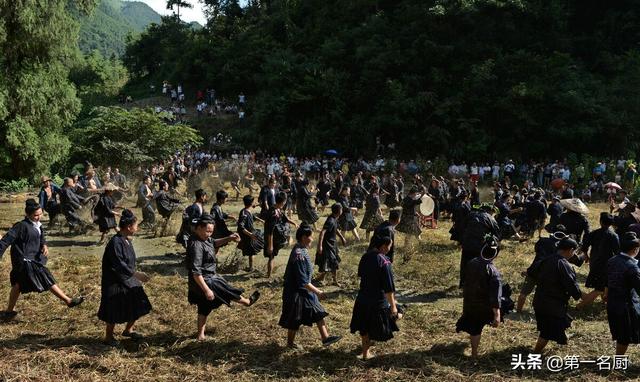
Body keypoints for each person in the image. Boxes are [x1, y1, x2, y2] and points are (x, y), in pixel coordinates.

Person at [0, 200, 84, 320]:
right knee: (45, 277)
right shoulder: (21, 226)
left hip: (33, 258)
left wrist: (43, 245)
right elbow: (6, 240)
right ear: (27, 214)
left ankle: (9, 311)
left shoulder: (37, 224)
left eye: (40, 214)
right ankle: (68, 300)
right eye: (36, 215)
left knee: (18, 285)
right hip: (24, 261)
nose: (39, 217)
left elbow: (41, 236)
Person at [186, 214, 260, 341]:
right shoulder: (196, 245)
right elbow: (196, 272)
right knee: (225, 290)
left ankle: (200, 335)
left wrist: (229, 238)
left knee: (204, 306)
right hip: (204, 280)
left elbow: (214, 242)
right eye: (207, 231)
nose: (209, 234)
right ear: (198, 228)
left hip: (208, 277)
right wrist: (206, 290)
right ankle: (246, 302)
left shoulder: (204, 238)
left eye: (211, 231)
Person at [278, 224, 341, 350]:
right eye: (311, 236)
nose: (313, 239)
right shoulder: (299, 254)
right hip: (296, 292)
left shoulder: (301, 249)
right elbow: (303, 281)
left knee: (318, 311)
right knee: (294, 319)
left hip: (304, 290)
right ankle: (290, 344)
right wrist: (318, 292)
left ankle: (325, 338)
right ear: (303, 237)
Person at [97, 209, 151, 346]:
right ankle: (108, 337)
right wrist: (136, 274)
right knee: (113, 308)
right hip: (114, 280)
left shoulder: (127, 240)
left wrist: (134, 274)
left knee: (139, 300)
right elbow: (119, 264)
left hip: (127, 277)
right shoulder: (116, 242)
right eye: (136, 225)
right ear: (128, 227)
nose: (137, 228)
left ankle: (128, 330)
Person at [350, 235, 402, 360]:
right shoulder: (384, 262)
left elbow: (361, 275)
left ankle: (365, 353)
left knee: (364, 326)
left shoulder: (365, 257)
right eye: (389, 246)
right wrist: (393, 307)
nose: (390, 249)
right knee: (397, 312)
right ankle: (398, 315)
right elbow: (389, 288)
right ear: (384, 246)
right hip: (378, 302)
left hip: (362, 299)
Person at [528, 237, 584, 352]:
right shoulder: (563, 264)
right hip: (553, 305)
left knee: (557, 324)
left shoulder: (546, 259)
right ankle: (535, 354)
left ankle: (562, 337)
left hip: (539, 301)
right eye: (574, 252)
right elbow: (571, 285)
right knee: (546, 333)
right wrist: (579, 295)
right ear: (570, 250)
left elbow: (532, 272)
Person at [456, 236, 507, 358]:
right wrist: (497, 315)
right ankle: (474, 354)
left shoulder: (472, 262)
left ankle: (474, 352)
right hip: (483, 306)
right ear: (495, 255)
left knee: (474, 328)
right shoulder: (493, 272)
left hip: (469, 302)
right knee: (477, 327)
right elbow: (495, 297)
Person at [606, 232, 640, 355]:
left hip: (612, 303)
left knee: (621, 335)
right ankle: (618, 362)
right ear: (635, 249)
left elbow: (607, 280)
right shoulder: (632, 267)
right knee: (625, 336)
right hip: (627, 306)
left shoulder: (612, 260)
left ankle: (618, 360)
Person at [577, 212, 619, 308]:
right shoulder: (614, 236)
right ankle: (580, 306)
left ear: (600, 222)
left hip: (594, 261)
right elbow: (617, 252)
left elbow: (584, 246)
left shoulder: (594, 233)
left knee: (603, 284)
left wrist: (587, 256)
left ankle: (604, 301)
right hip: (607, 264)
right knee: (600, 288)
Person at [459, 204, 501, 288]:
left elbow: (461, 227)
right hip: (480, 246)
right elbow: (498, 234)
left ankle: (463, 283)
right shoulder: (490, 218)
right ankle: (476, 285)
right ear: (490, 211)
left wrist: (462, 240)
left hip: (467, 244)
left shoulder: (471, 215)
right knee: (479, 266)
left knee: (465, 263)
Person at [264, 192, 297, 278]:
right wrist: (270, 245)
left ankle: (270, 273)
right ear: (284, 201)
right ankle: (269, 275)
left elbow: (285, 218)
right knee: (271, 256)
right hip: (273, 237)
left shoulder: (278, 209)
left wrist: (294, 223)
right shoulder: (273, 213)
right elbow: (270, 231)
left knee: (273, 256)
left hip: (278, 235)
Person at [316, 204, 347, 286]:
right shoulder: (330, 220)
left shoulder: (334, 218)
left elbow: (335, 229)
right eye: (341, 209)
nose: (342, 210)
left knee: (330, 262)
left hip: (332, 244)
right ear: (339, 211)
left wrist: (342, 237)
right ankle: (334, 281)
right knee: (333, 262)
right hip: (327, 245)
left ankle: (322, 277)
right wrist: (320, 246)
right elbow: (322, 232)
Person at [237, 195, 264, 271]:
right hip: (247, 234)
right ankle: (251, 267)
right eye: (253, 201)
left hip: (250, 232)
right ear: (251, 203)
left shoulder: (247, 210)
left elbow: (253, 216)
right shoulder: (244, 213)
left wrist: (261, 220)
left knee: (251, 250)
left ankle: (250, 266)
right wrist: (250, 235)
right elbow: (241, 227)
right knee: (251, 251)